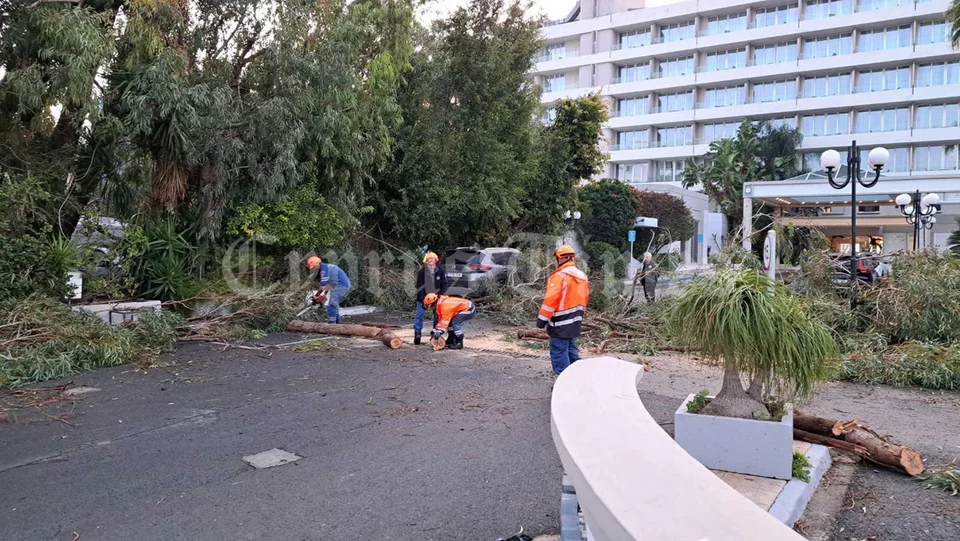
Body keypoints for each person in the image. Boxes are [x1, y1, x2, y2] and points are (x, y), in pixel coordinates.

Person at [537, 245, 590, 375]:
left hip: (560, 322)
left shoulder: (559, 276)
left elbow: (550, 300)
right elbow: (585, 298)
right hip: (576, 320)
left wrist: (541, 320)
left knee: (559, 351)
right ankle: (578, 378)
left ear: (560, 259)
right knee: (571, 349)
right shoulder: (582, 276)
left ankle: (564, 381)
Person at [306, 256, 352, 324]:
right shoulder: (326, 267)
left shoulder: (324, 270)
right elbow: (330, 284)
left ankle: (332, 324)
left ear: (318, 264)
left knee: (331, 305)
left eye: (314, 267)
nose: (313, 270)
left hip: (341, 285)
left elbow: (322, 287)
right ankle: (337, 321)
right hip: (340, 285)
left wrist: (316, 296)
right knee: (334, 304)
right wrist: (324, 294)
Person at [414, 252, 447, 345]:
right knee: (420, 315)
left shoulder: (440, 271)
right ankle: (417, 334)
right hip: (424, 296)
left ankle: (434, 334)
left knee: (437, 316)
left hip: (436, 297)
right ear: (426, 262)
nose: (431, 263)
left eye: (433, 261)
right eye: (429, 261)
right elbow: (419, 286)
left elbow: (444, 284)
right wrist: (422, 300)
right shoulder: (422, 272)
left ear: (436, 261)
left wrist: (441, 295)